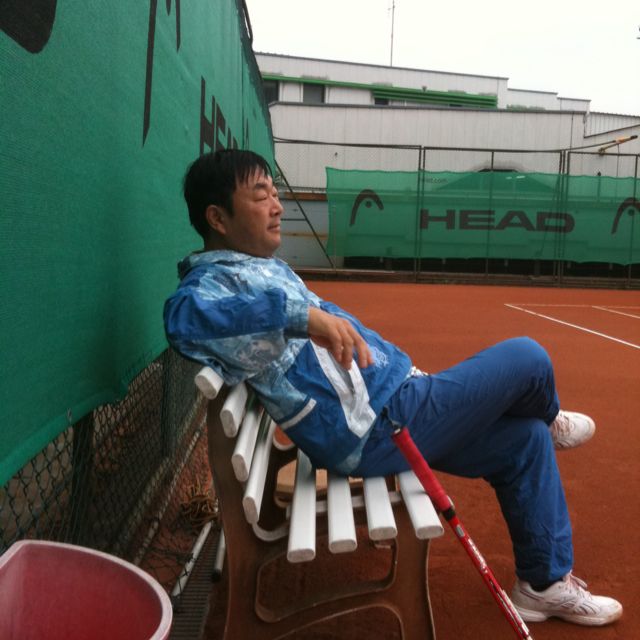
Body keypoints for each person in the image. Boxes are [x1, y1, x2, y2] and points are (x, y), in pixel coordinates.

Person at [164, 149, 623, 627]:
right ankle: (550, 417)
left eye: (275, 193)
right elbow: (182, 320)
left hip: (391, 406)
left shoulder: (261, 266)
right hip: (375, 427)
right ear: (217, 218)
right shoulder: (210, 284)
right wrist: (302, 315)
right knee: (528, 358)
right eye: (261, 196)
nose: (277, 206)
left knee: (523, 440)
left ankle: (543, 586)